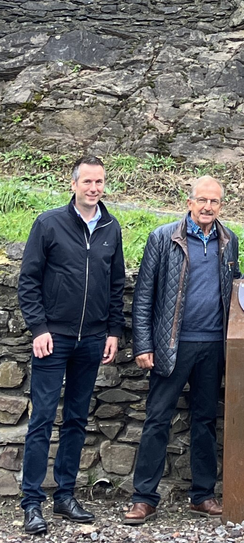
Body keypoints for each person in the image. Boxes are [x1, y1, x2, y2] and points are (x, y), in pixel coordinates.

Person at [124, 176, 244, 524]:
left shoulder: (227, 239)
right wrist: (143, 344)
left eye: (214, 202)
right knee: (157, 420)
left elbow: (233, 284)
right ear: (189, 202)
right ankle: (144, 498)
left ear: (221, 205)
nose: (207, 207)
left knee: (205, 421)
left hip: (213, 345)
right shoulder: (163, 238)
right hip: (171, 345)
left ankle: (202, 495)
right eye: (202, 200)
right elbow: (144, 295)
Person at [17, 156, 125, 535]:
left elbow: (115, 286)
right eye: (88, 182)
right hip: (53, 339)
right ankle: (32, 502)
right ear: (74, 184)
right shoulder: (49, 223)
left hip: (93, 340)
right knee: (43, 419)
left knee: (77, 420)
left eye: (100, 182)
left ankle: (65, 495)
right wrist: (39, 328)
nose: (94, 188)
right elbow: (28, 281)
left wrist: (113, 331)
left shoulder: (112, 227)